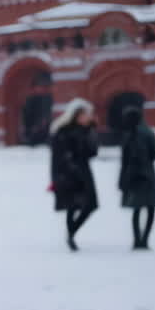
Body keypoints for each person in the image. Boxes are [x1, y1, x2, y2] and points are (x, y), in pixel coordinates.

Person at [50, 98, 99, 252]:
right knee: (72, 205)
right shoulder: (63, 132)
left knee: (90, 204)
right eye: (85, 115)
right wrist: (64, 173)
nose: (88, 117)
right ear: (76, 115)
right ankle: (71, 236)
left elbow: (93, 152)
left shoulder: (86, 131)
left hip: (83, 172)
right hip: (69, 173)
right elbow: (59, 156)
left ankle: (71, 232)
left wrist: (91, 130)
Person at [119, 105, 155, 251]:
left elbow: (124, 160)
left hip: (137, 175)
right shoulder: (144, 132)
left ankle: (139, 240)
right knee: (147, 208)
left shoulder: (133, 134)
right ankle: (142, 240)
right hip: (144, 175)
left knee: (140, 208)